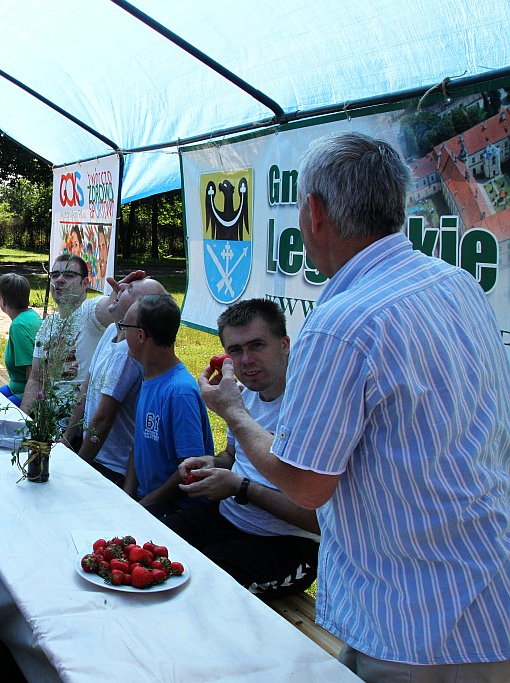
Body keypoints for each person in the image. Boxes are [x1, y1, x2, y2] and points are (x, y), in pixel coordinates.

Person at [200, 132, 510, 682]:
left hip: (416, 625)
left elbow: (304, 483)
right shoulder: (459, 284)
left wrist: (235, 413)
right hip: (487, 591)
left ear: (315, 213)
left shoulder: (342, 323)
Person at [169, 298, 319, 598]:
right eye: (235, 350)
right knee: (154, 542)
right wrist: (208, 463)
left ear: (285, 344)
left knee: (199, 589)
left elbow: (318, 519)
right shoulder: (245, 395)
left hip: (286, 543)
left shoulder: (311, 408)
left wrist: (241, 487)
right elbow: (232, 456)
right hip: (228, 517)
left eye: (257, 345)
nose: (246, 360)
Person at [63, 277, 166, 485]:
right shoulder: (112, 330)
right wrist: (66, 439)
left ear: (140, 310)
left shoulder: (129, 353)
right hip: (90, 448)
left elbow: (103, 419)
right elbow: (86, 388)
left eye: (129, 289)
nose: (119, 287)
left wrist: (78, 467)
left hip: (111, 467)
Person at [121, 294, 215, 517]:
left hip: (176, 508)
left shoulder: (179, 392)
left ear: (141, 335)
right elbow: (140, 443)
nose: (122, 333)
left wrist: (143, 507)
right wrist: (126, 497)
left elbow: (189, 469)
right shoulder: (149, 377)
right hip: (147, 500)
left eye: (125, 326)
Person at [19, 254, 105, 413]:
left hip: (81, 426)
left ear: (85, 283)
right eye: (55, 275)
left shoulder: (90, 313)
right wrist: (22, 420)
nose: (59, 280)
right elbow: (36, 378)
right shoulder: (48, 325)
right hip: (49, 424)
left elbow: (110, 306)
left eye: (69, 275)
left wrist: (121, 293)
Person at [0, 273, 41, 406]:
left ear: (3, 301)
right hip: (15, 386)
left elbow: (31, 371)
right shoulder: (31, 315)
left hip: (24, 392)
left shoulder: (18, 326)